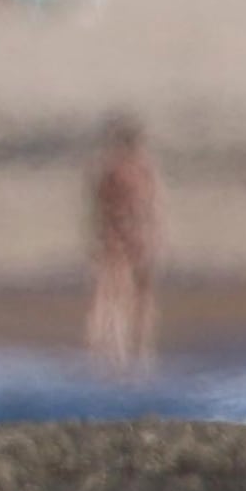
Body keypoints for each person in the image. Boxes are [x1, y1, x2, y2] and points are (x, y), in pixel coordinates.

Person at [85, 114, 163, 379]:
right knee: (116, 293)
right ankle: (116, 354)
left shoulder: (115, 170)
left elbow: (146, 207)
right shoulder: (129, 170)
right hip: (127, 236)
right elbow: (148, 207)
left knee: (124, 294)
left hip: (126, 236)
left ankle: (123, 354)